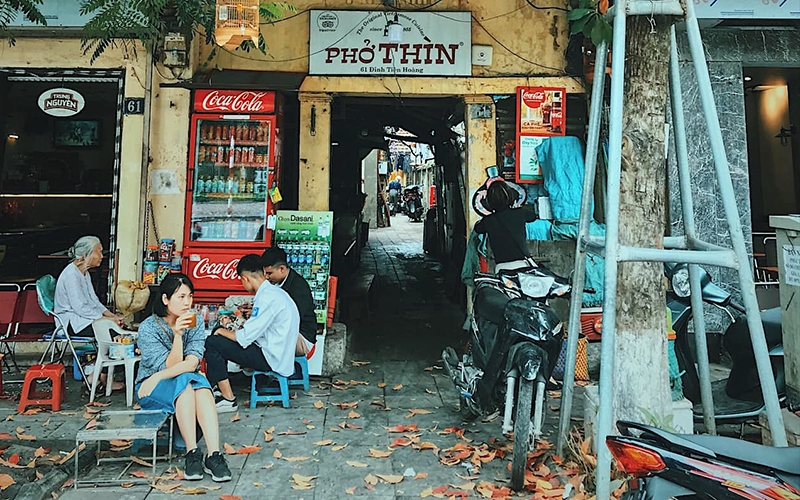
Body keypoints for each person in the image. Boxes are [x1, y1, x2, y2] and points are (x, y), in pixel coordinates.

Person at [135, 273, 232, 483]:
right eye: (181, 297)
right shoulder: (148, 328)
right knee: (189, 384)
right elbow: (171, 364)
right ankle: (192, 453)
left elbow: (192, 363)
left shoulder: (194, 322)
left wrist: (158, 376)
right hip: (150, 388)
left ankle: (214, 455)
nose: (187, 302)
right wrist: (177, 335)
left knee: (200, 386)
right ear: (165, 299)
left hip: (168, 379)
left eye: (190, 296)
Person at [204, 254, 300, 413]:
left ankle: (228, 399)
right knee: (220, 338)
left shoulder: (266, 298)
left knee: (213, 343)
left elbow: (244, 338)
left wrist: (221, 331)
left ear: (245, 278)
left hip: (271, 358)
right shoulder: (275, 293)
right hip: (279, 353)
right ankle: (218, 388)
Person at [54, 235, 125, 337]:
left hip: (85, 319)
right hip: (72, 323)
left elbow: (94, 301)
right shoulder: (71, 275)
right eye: (99, 252)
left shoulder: (84, 273)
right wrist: (106, 319)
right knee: (114, 332)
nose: (101, 256)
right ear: (85, 255)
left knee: (122, 329)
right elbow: (80, 308)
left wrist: (112, 316)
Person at [260, 247, 316, 356]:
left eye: (269, 273)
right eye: (265, 273)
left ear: (281, 269)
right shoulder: (274, 283)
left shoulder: (299, 287)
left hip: (302, 336)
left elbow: (289, 320)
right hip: (282, 331)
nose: (266, 277)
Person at [474, 179, 537, 272]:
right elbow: (533, 216)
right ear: (510, 196)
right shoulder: (519, 213)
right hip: (521, 264)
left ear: (489, 201)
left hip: (501, 267)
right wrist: (518, 208)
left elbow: (477, 228)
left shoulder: (488, 220)